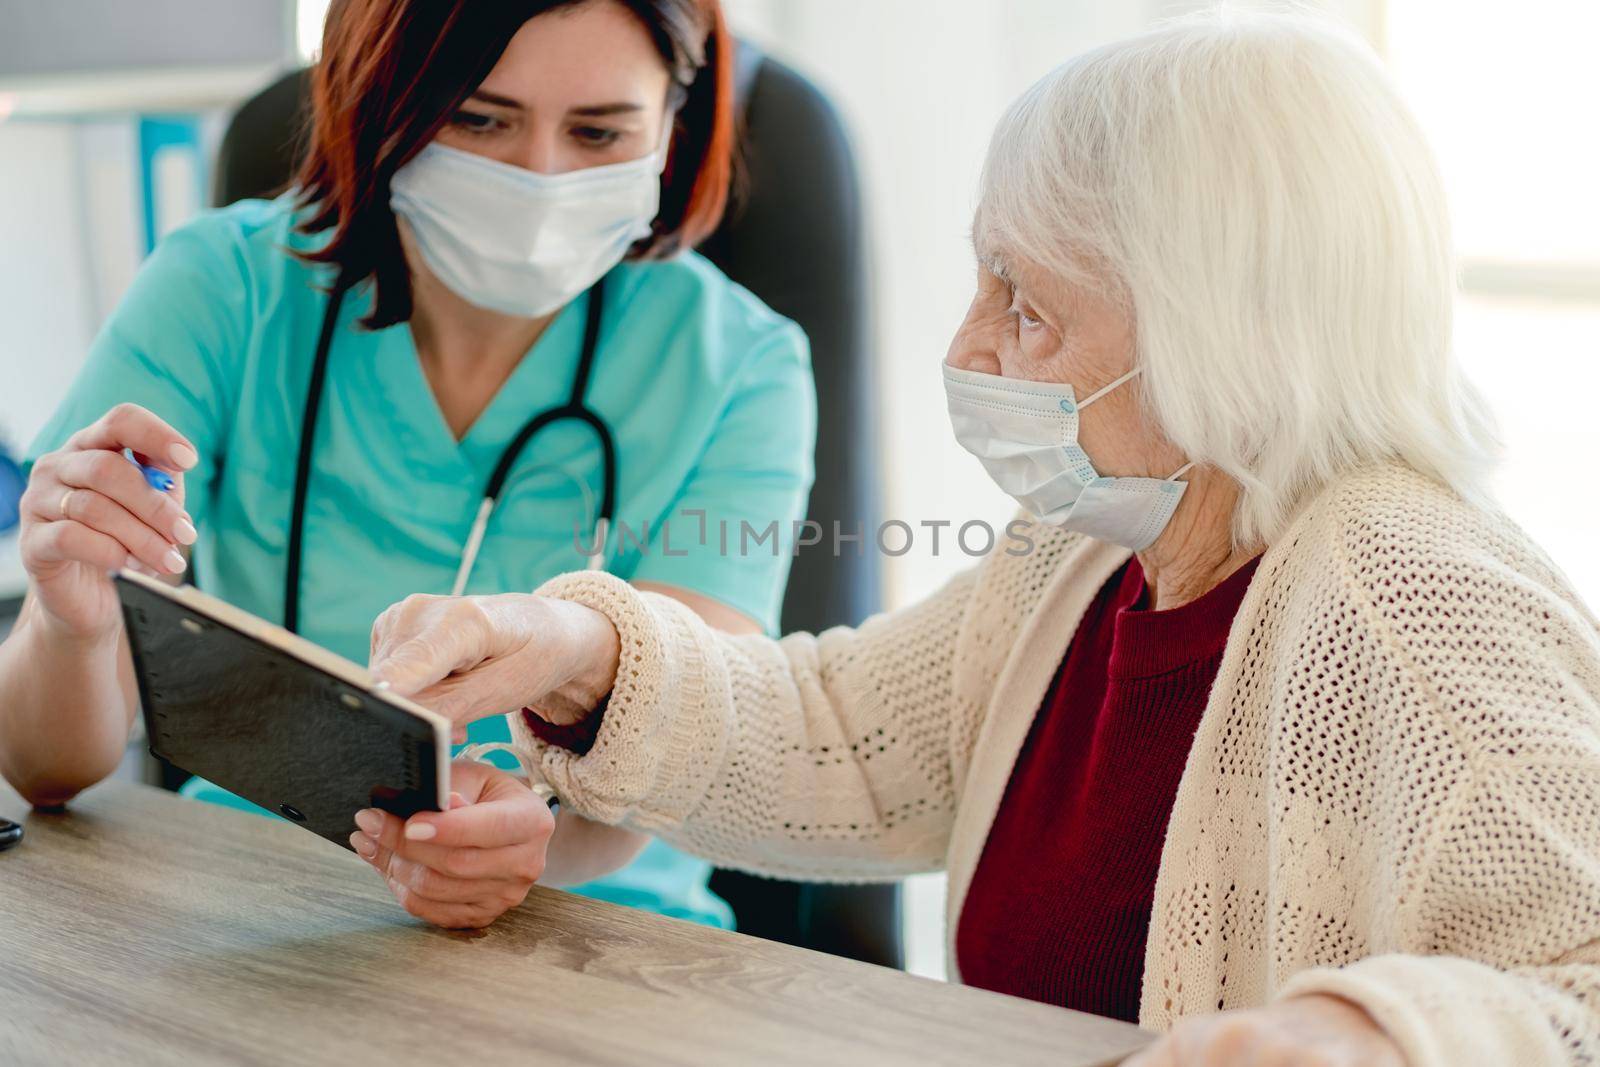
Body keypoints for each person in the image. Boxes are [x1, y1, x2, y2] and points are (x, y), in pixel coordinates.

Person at [361, 10, 1600, 1066]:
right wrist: (585, 649)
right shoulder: (1092, 549)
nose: (966, 350)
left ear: (1219, 334)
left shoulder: (1422, 599)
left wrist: (1363, 1033)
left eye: (1025, 305)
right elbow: (844, 737)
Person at [0, 0, 816, 932]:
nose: (539, 175)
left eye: (598, 132)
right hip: (243, 901)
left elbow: (686, 734)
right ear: (378, 96)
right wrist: (71, 627)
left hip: (592, 929)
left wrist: (530, 836)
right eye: (478, 118)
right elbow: (46, 770)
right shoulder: (224, 291)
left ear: (672, 126)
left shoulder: (740, 366)